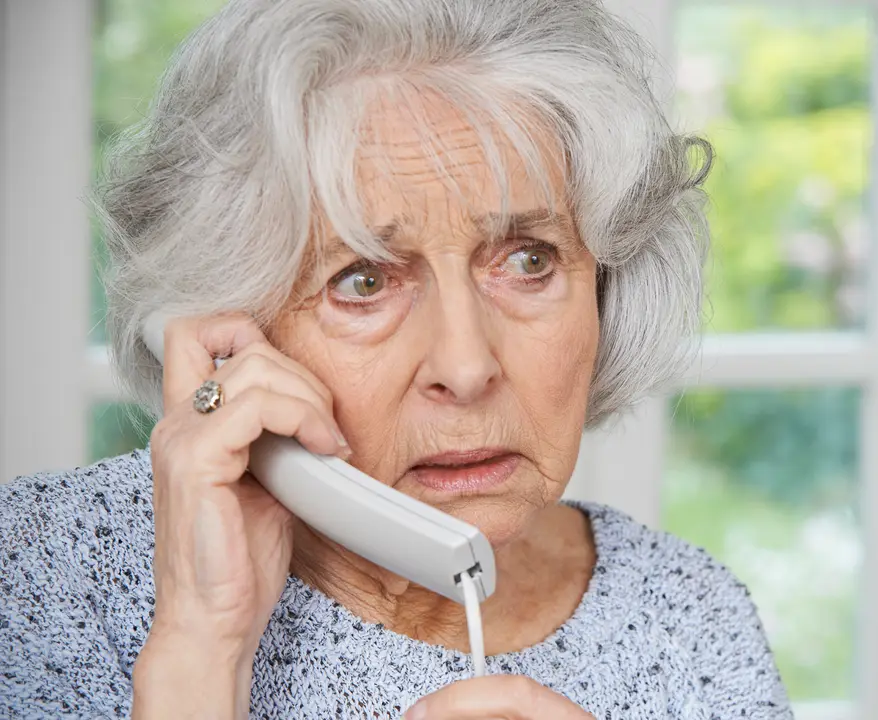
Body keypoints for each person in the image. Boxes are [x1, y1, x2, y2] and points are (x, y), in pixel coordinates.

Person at [0, 0, 794, 717]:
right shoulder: (41, 572)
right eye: (364, 279)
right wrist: (200, 648)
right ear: (229, 331)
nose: (466, 364)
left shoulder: (688, 618)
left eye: (528, 261)